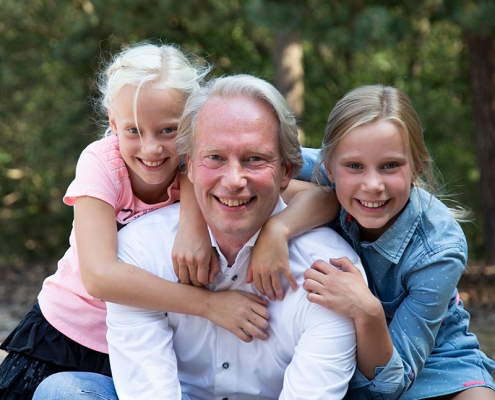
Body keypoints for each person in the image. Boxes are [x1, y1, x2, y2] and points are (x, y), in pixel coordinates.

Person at [34, 74, 367, 400]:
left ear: (286, 172)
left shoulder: (328, 273)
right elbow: (150, 392)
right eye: (216, 158)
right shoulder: (141, 250)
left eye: (254, 159)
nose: (234, 180)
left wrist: (277, 230)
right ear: (189, 167)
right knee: (62, 392)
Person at [0, 43, 272, 400]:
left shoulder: (205, 172)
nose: (151, 148)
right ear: (113, 124)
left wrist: (278, 230)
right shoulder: (102, 163)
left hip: (144, 343)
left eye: (168, 130)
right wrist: (209, 306)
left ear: (193, 125)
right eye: (133, 131)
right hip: (69, 332)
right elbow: (100, 276)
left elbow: (312, 191)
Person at [250, 84, 495, 399]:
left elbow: (392, 383)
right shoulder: (318, 167)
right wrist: (277, 229)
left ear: (416, 167)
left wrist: (366, 310)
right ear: (329, 168)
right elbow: (206, 165)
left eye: (390, 166)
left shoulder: (439, 247)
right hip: (338, 355)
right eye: (354, 167)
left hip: (430, 361)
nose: (372, 185)